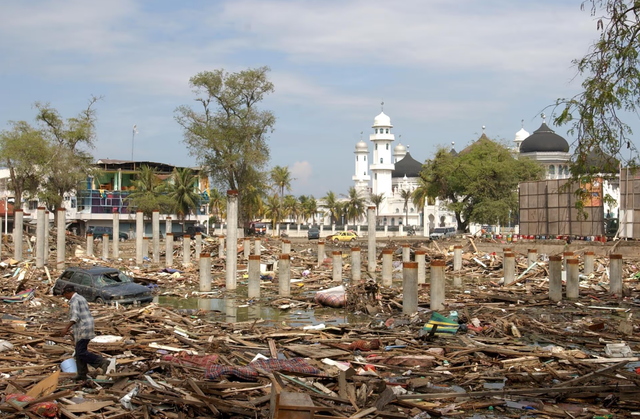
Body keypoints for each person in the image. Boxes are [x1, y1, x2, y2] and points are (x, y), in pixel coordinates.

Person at [57, 284, 110, 381]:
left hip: (83, 327)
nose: (65, 297)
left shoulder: (74, 301)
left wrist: (66, 328)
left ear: (68, 292)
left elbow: (75, 317)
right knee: (78, 352)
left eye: (65, 295)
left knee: (81, 352)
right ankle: (82, 373)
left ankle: (101, 362)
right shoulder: (81, 298)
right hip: (86, 326)